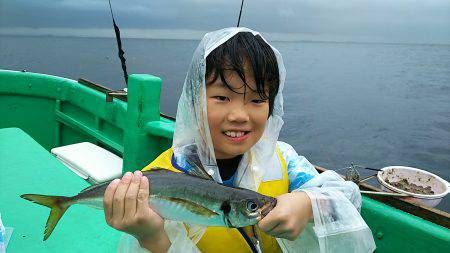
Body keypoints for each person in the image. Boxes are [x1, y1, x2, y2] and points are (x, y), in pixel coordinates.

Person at [103, 27, 376, 253]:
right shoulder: (155, 179)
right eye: (222, 97)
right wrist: (151, 238)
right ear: (194, 102)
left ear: (272, 106)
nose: (239, 115)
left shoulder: (283, 160)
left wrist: (308, 203)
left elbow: (348, 197)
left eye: (257, 99)